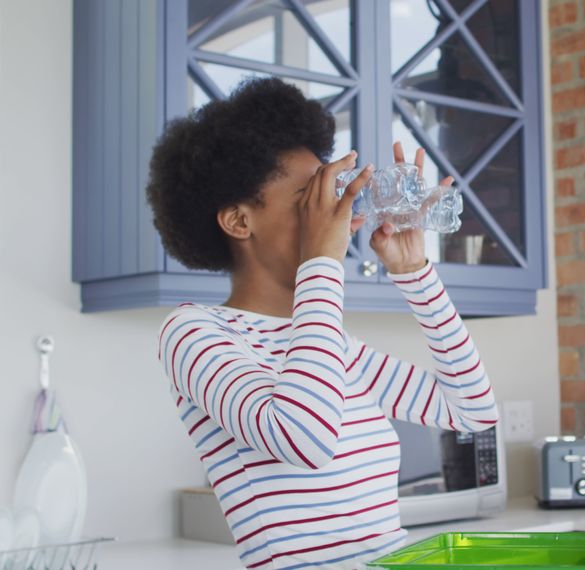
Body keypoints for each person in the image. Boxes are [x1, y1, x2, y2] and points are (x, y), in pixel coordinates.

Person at [148, 77, 498, 569]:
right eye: (310, 200)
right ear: (238, 221)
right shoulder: (193, 333)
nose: (335, 213)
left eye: (333, 196)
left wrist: (415, 274)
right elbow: (304, 439)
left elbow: (473, 413)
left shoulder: (333, 344)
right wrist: (321, 261)